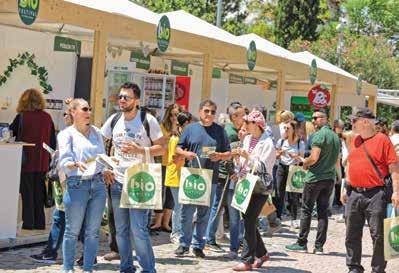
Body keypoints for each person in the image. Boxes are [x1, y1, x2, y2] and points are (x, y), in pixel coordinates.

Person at [101, 82, 164, 273]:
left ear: (136, 100)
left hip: (140, 181)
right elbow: (101, 143)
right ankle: (126, 267)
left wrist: (140, 149)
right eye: (120, 97)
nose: (122, 100)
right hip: (118, 181)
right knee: (121, 231)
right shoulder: (113, 120)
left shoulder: (148, 120)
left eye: (126, 97)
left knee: (138, 230)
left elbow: (163, 147)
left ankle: (148, 269)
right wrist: (106, 166)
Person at [341, 108, 399, 273]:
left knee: (378, 235)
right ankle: (354, 267)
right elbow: (350, 164)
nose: (351, 124)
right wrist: (346, 187)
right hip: (354, 193)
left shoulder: (383, 140)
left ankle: (378, 269)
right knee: (351, 233)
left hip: (376, 193)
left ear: (365, 122)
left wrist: (396, 191)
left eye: (354, 121)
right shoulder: (356, 140)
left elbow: (394, 167)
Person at [174, 99, 231, 258]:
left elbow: (228, 153)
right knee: (186, 212)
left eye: (213, 112)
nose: (209, 114)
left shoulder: (220, 131)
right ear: (200, 112)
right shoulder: (190, 129)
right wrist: (186, 154)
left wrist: (219, 156)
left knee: (204, 214)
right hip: (191, 177)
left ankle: (198, 245)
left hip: (209, 178)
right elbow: (178, 147)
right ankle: (184, 244)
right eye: (206, 111)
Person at [58, 98, 106, 273]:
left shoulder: (96, 132)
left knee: (93, 232)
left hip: (98, 183)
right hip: (77, 184)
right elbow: (64, 162)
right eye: (85, 109)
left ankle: (88, 269)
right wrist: (75, 164)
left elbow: (101, 156)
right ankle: (68, 269)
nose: (89, 113)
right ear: (73, 112)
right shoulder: (66, 134)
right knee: (72, 231)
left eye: (90, 109)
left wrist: (109, 164)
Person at [285, 108, 340, 254]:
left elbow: (314, 158)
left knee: (306, 210)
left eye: (316, 118)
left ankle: (302, 243)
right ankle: (319, 246)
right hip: (329, 178)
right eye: (313, 118)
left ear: (325, 119)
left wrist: (304, 162)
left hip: (315, 178)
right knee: (323, 212)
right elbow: (337, 160)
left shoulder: (318, 136)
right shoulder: (335, 136)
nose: (313, 121)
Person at [231, 110, 276, 271]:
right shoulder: (248, 139)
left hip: (261, 187)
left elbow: (264, 167)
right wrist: (238, 163)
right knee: (248, 220)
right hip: (246, 184)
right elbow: (244, 163)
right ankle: (262, 253)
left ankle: (247, 259)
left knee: (249, 220)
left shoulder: (268, 143)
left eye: (248, 122)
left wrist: (248, 158)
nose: (245, 125)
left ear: (257, 125)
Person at [30, 106, 73, 264]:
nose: (64, 116)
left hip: (68, 182)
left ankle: (51, 252)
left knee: (64, 217)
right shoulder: (68, 133)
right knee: (62, 217)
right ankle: (51, 251)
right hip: (65, 181)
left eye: (66, 114)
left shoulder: (69, 134)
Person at [9, 88, 56, 230]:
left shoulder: (22, 117)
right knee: (39, 192)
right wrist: (48, 158)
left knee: (27, 193)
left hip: (25, 161)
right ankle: (40, 223)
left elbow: (10, 133)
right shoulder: (47, 117)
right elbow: (52, 142)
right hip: (42, 161)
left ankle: (28, 223)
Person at [206, 102, 245, 257]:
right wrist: (231, 173)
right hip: (227, 177)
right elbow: (226, 155)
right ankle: (218, 241)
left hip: (227, 176)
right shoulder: (230, 133)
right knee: (224, 210)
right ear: (234, 116)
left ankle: (217, 240)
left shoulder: (235, 130)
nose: (245, 118)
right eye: (242, 115)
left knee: (220, 209)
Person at [150, 104, 183, 233]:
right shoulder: (162, 127)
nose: (174, 117)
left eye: (176, 114)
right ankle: (157, 221)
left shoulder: (182, 128)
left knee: (171, 194)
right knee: (159, 192)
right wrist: (171, 134)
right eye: (172, 114)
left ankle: (166, 222)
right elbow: (158, 141)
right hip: (163, 163)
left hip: (175, 164)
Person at [166, 111, 192, 244]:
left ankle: (181, 231)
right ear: (185, 124)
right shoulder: (175, 139)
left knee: (184, 206)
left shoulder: (185, 137)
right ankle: (175, 233)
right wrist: (185, 154)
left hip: (184, 176)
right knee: (178, 206)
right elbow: (174, 159)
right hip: (175, 175)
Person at [275, 121, 305, 229]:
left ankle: (294, 218)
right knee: (279, 193)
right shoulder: (281, 141)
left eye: (288, 128)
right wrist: (279, 154)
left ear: (294, 129)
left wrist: (295, 156)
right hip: (282, 167)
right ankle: (278, 217)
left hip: (295, 168)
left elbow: (302, 160)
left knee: (294, 196)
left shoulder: (300, 143)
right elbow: (276, 156)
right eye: (285, 128)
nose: (285, 130)